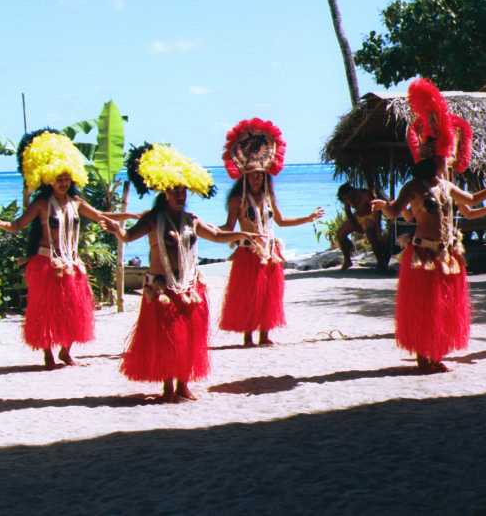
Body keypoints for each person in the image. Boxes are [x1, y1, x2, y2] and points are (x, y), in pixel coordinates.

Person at [372, 79, 486, 373]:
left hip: (446, 254)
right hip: (423, 254)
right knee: (425, 305)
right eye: (444, 159)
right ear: (435, 160)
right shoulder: (413, 187)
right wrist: (382, 206)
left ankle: (435, 353)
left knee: (442, 305)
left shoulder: (446, 186)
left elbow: (471, 202)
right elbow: (394, 212)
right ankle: (423, 355)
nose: (447, 162)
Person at [103, 142, 256, 402]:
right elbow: (128, 237)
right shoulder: (152, 219)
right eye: (175, 190)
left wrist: (242, 234)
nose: (180, 194)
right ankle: (167, 387)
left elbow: (217, 235)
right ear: (165, 191)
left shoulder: (192, 219)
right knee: (167, 339)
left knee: (189, 338)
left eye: (184, 190)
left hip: (189, 285)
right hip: (162, 287)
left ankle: (183, 385)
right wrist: (117, 230)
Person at [0, 128, 133, 368]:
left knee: (75, 309)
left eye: (66, 179)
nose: (63, 183)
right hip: (47, 263)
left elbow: (101, 215)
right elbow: (19, 224)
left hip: (72, 264)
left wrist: (132, 215)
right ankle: (48, 354)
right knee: (46, 310)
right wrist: (2, 224)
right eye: (59, 179)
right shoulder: (42, 203)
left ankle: (65, 352)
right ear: (49, 180)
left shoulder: (76, 202)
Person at [217, 119, 323, 347]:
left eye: (260, 174)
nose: (257, 178)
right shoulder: (237, 199)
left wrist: (308, 218)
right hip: (248, 253)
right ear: (245, 176)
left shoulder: (268, 197)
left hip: (271, 252)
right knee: (248, 294)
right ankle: (248, 336)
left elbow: (281, 221)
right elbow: (229, 227)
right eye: (253, 174)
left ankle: (264, 334)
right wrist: (205, 230)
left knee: (268, 294)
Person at [335, 184, 391, 271]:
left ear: (351, 191)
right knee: (340, 234)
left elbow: (376, 211)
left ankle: (381, 262)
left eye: (347, 197)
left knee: (371, 235)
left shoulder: (365, 194)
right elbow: (348, 211)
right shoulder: (347, 198)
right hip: (358, 216)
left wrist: (378, 228)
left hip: (370, 216)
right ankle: (347, 260)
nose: (347, 200)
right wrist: (355, 225)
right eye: (345, 199)